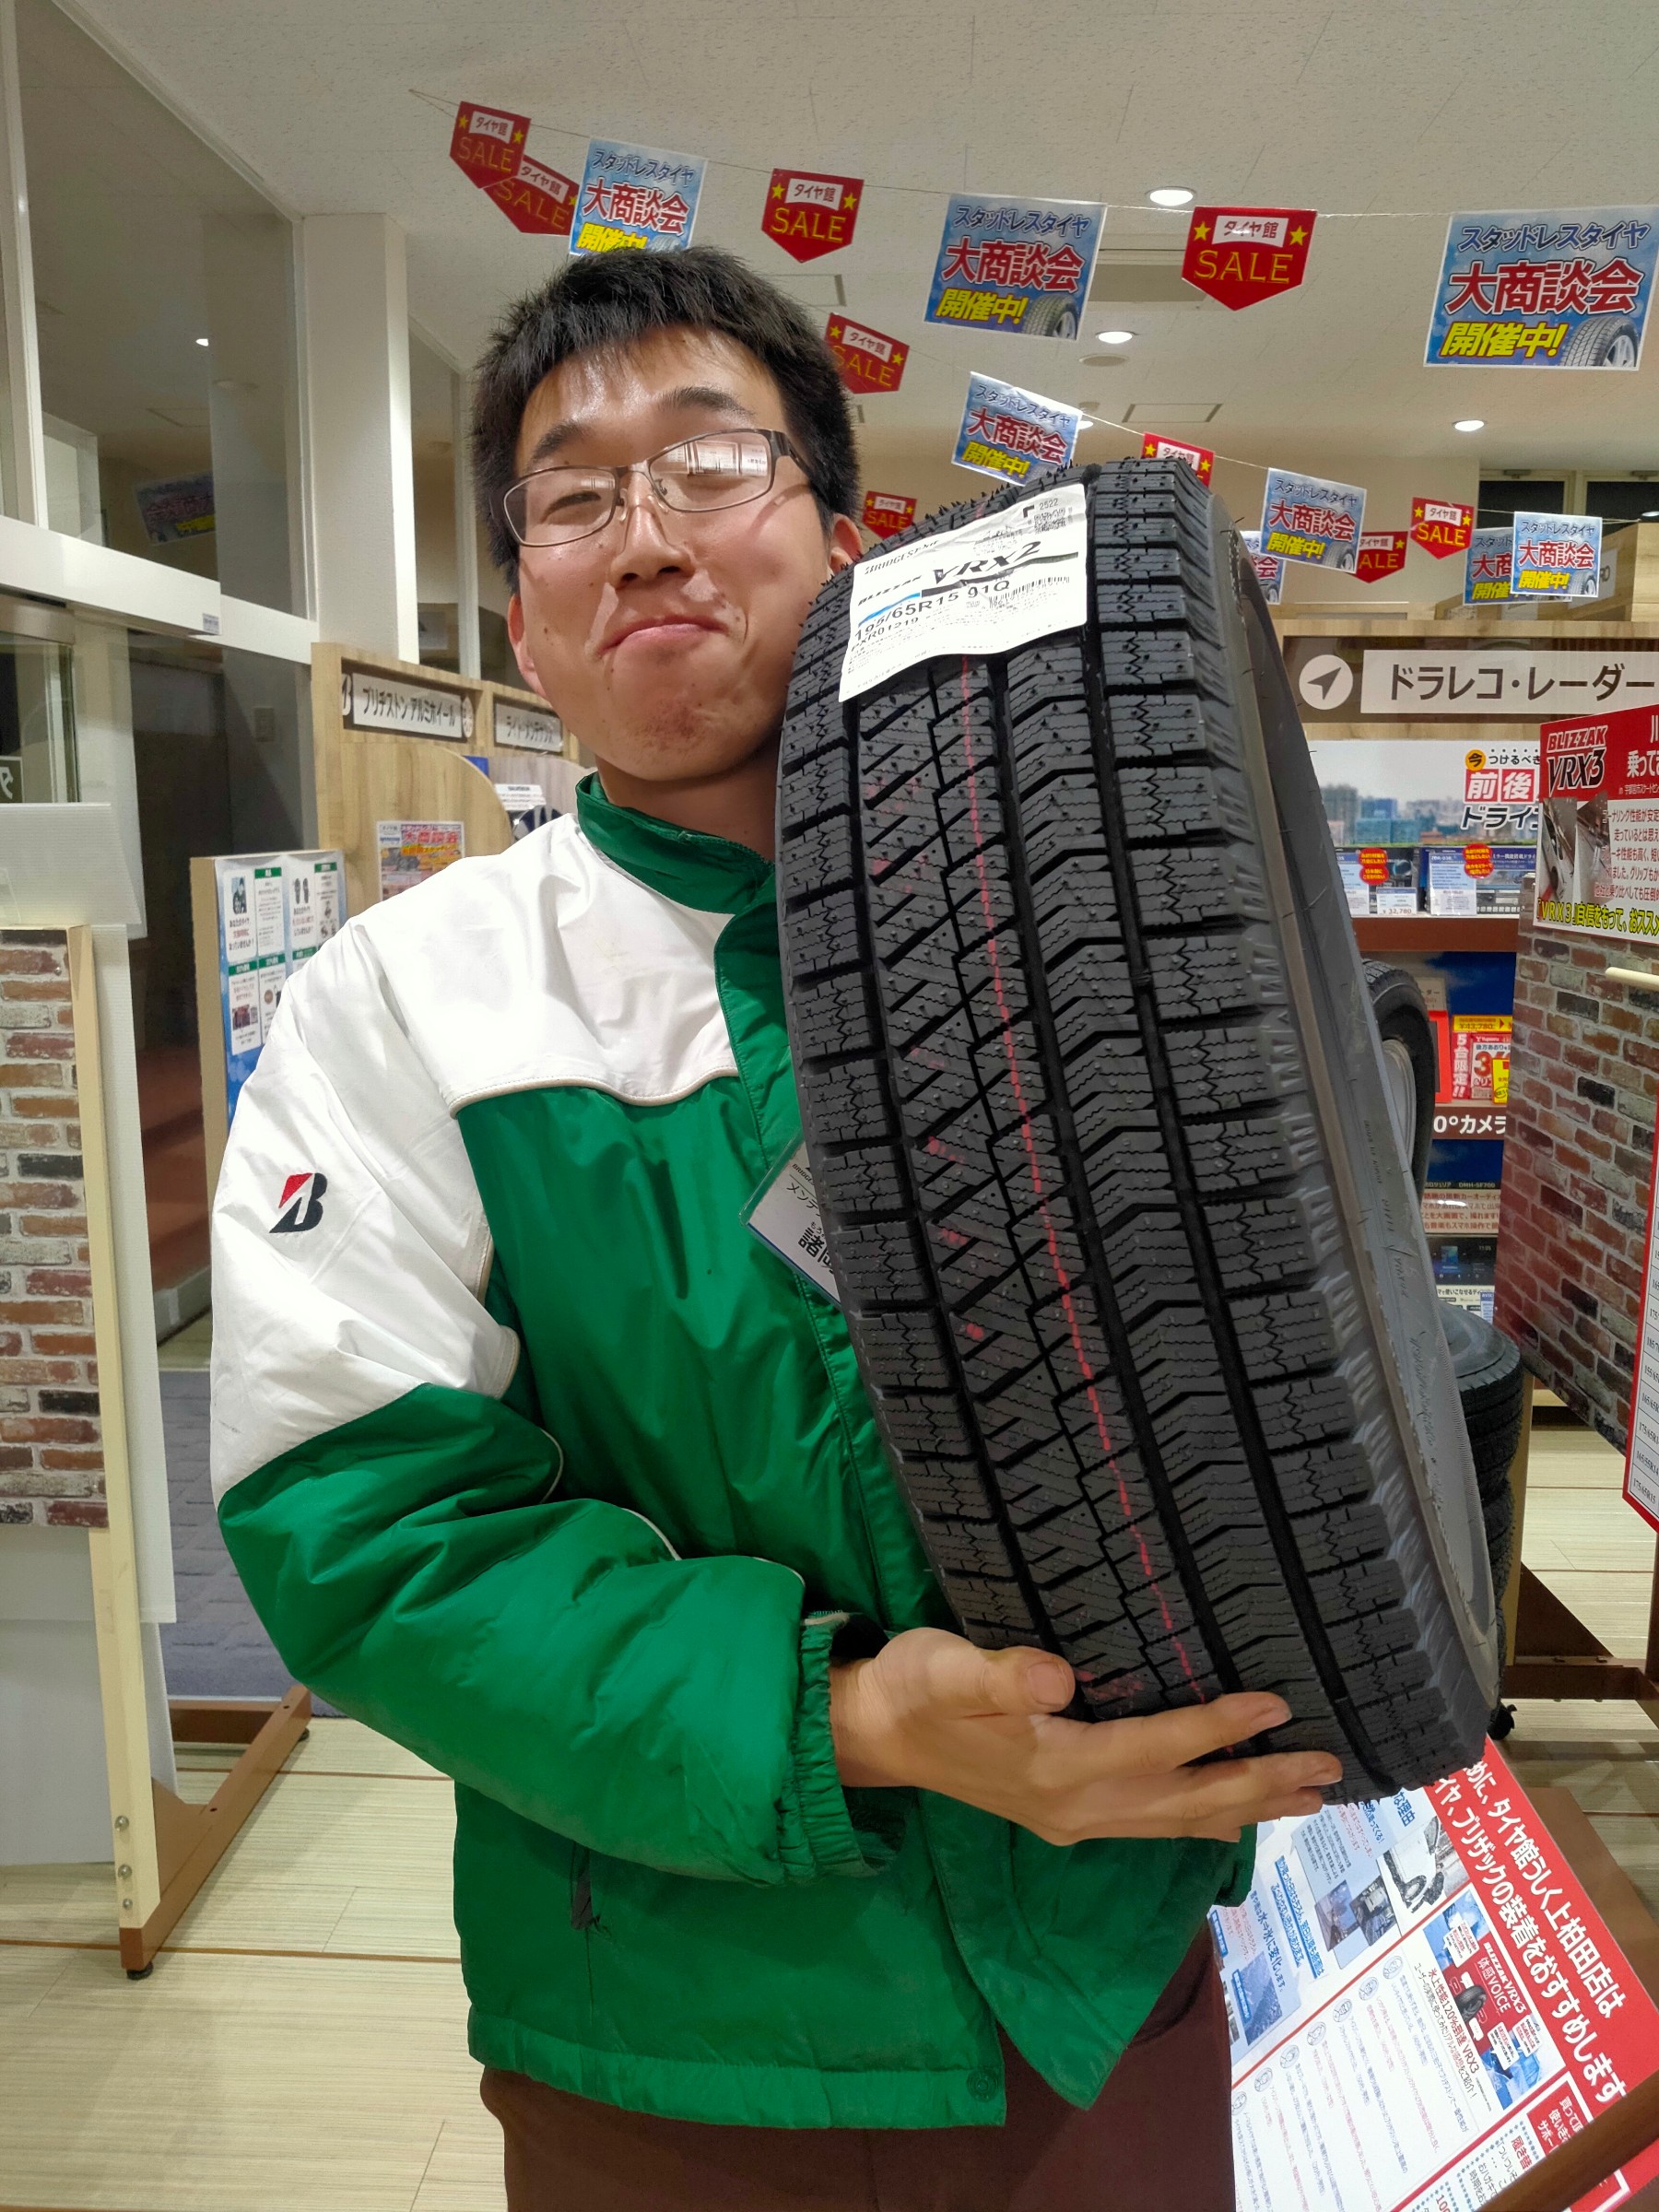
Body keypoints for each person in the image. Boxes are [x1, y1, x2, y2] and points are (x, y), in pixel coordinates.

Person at [209, 245, 1342, 2211]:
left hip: (1099, 1976)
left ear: (842, 543)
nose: (647, 535)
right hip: (673, 2033)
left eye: (709, 463)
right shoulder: (411, 998)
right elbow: (365, 1534)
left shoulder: (1073, 934)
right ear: (524, 618)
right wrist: (852, 1722)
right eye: (575, 496)